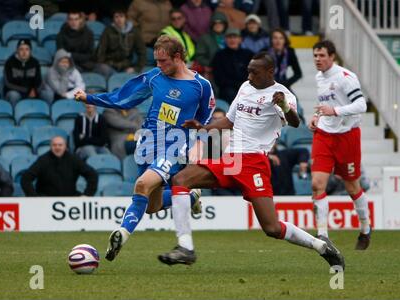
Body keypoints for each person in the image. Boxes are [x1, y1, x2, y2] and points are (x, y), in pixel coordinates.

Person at [158, 52, 345, 272]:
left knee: (272, 228)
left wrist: (284, 105)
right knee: (180, 179)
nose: (249, 75)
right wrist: (202, 127)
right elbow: (229, 121)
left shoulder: (281, 94)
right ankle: (185, 248)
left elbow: (294, 122)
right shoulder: (245, 88)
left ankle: (321, 246)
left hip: (254, 163)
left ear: (269, 72)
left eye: (254, 72)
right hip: (231, 159)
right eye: (248, 70)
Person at [74, 35, 214, 262]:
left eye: (163, 61)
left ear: (178, 57)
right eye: (156, 61)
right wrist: (90, 98)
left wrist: (197, 143)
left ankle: (122, 233)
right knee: (150, 205)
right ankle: (190, 196)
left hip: (176, 145)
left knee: (141, 184)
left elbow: (205, 119)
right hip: (148, 142)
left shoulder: (201, 85)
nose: (158, 65)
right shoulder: (154, 76)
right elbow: (124, 98)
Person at [309, 40, 371, 250]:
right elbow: (325, 104)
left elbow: (361, 104)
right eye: (315, 56)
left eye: (322, 56)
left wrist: (334, 112)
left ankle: (365, 229)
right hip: (324, 135)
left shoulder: (345, 77)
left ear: (332, 56)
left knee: (352, 186)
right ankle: (323, 235)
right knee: (317, 184)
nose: (318, 59)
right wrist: (317, 116)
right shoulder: (319, 77)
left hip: (347, 136)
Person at [21, 136, 98, 197]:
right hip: (46, 201)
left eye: (60, 145)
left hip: (69, 200)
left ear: (65, 147)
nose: (57, 147)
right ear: (51, 147)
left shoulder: (74, 159)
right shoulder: (43, 160)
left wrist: (87, 195)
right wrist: (34, 198)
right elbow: (25, 178)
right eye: (54, 145)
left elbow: (92, 175)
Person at [96, 7, 146, 77]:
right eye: (116, 17)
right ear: (113, 19)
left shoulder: (134, 32)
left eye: (121, 16)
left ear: (126, 18)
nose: (119, 19)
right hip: (110, 65)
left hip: (127, 66)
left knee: (141, 74)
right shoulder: (108, 31)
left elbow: (142, 52)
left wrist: (136, 68)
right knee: (101, 68)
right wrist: (102, 63)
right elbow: (101, 50)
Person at [212, 28, 253, 103]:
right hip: (228, 90)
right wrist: (236, 85)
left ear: (240, 39)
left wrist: (244, 85)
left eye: (235, 37)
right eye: (229, 37)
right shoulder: (219, 56)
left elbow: (253, 74)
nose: (232, 40)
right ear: (225, 40)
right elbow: (219, 79)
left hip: (247, 88)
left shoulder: (249, 54)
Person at [3, 39, 43, 107]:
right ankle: (15, 115)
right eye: (21, 49)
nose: (24, 52)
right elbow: (8, 83)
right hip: (15, 91)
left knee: (46, 94)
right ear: (17, 50)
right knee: (14, 95)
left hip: (31, 91)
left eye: (27, 49)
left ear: (30, 51)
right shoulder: (9, 62)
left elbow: (38, 80)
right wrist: (27, 90)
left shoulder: (35, 62)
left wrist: (34, 90)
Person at [193, 11, 228, 81]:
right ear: (212, 25)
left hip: (228, 71)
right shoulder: (204, 38)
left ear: (225, 24)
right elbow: (199, 56)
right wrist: (213, 64)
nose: (218, 25)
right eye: (215, 23)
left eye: (221, 23)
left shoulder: (229, 37)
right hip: (212, 72)